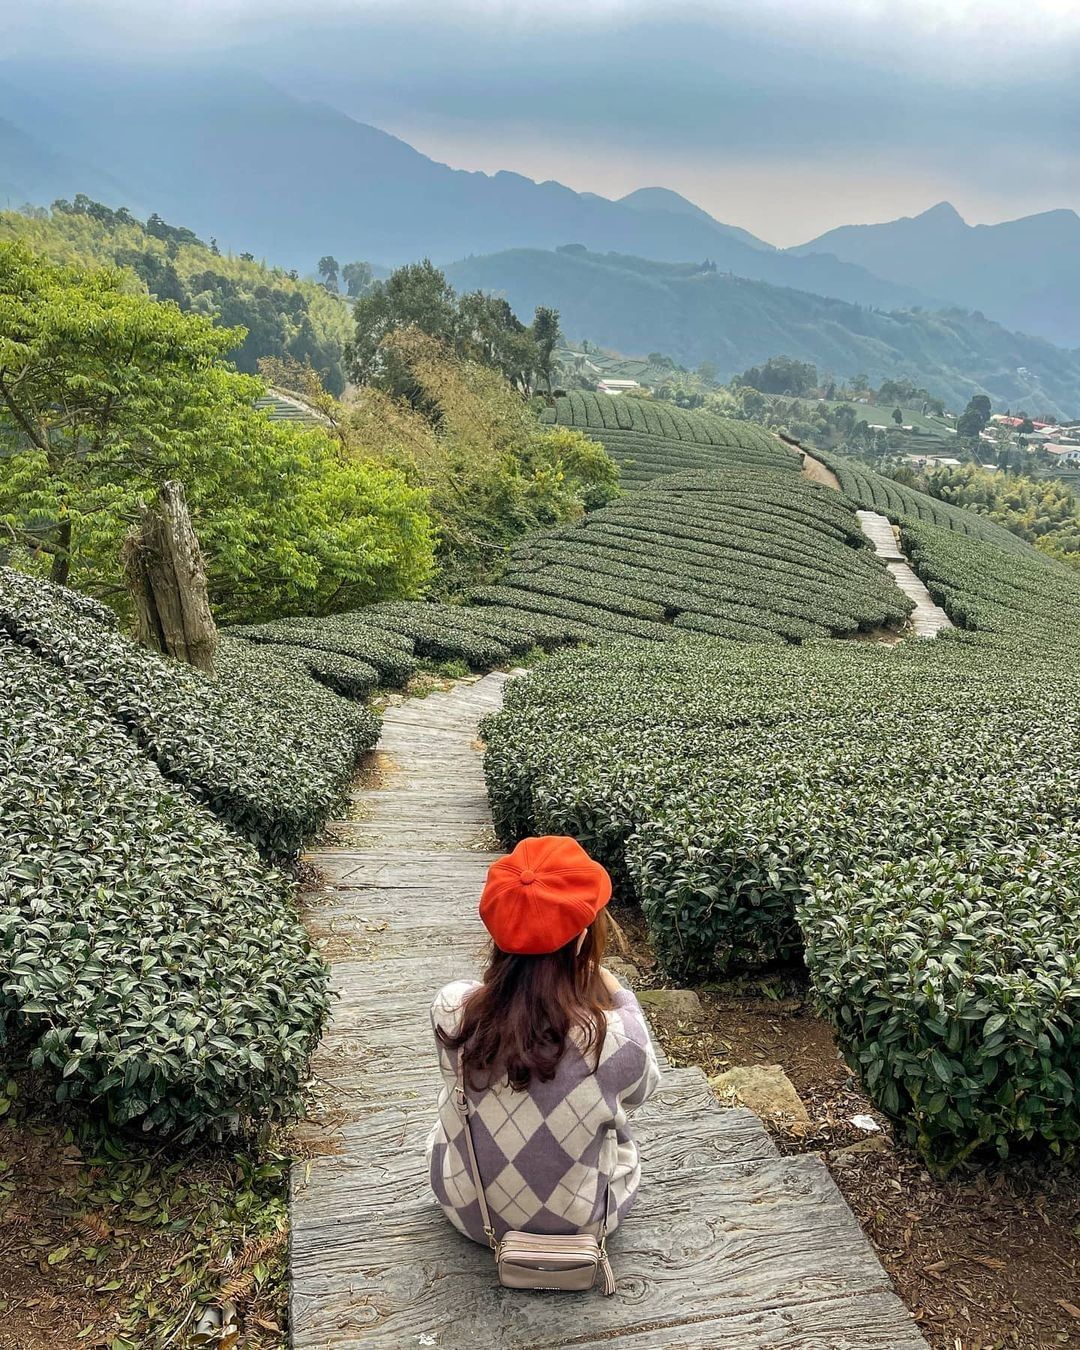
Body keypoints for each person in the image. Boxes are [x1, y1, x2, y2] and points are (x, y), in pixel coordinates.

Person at [426, 835, 662, 1247]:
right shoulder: (617, 1036)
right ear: (583, 937)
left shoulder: (451, 1009)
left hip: (469, 1213)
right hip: (584, 1224)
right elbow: (642, 1092)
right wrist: (618, 992)